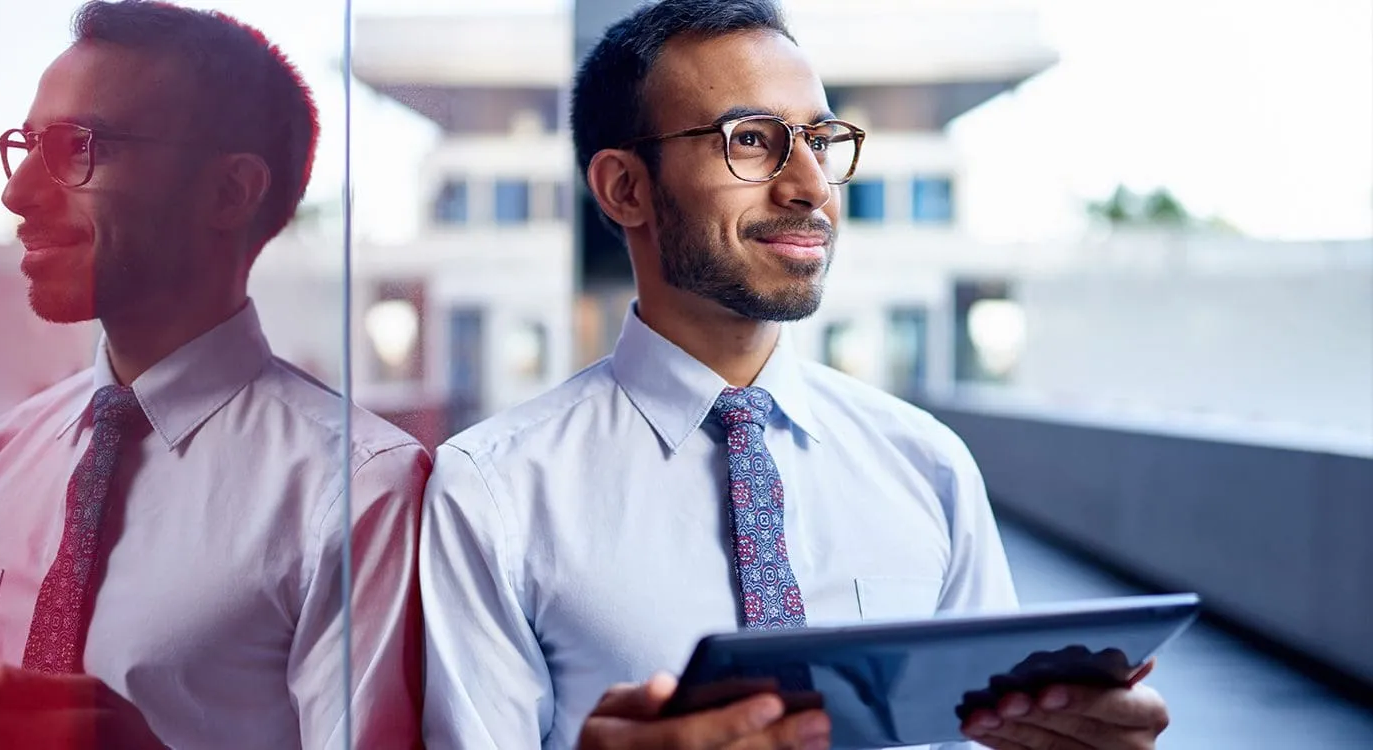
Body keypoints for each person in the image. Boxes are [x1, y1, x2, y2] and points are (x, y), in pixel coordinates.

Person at [417, 1, 1171, 749]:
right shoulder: (492, 493)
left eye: (820, 140)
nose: (811, 186)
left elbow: (984, 734)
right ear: (625, 188)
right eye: (750, 140)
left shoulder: (926, 465)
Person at [0, 1, 425, 748]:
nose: (18, 194)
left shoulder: (362, 492)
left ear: (230, 192)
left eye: (78, 148)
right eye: (27, 146)